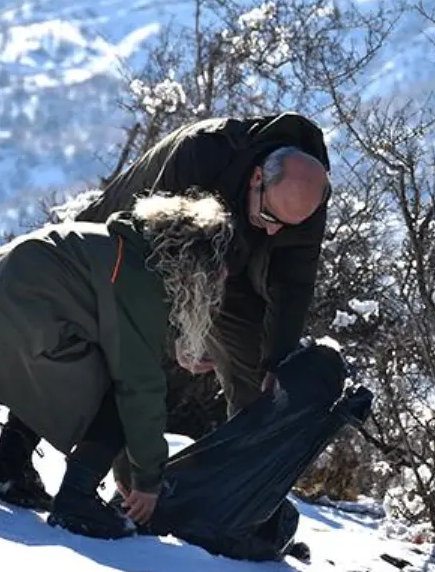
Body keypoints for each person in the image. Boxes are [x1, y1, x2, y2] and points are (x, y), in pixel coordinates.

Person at [0, 190, 235, 540]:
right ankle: (76, 499)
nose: (221, 282)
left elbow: (117, 332)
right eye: (217, 271)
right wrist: (147, 481)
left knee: (71, 364)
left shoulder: (116, 247)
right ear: (193, 261)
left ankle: (6, 468)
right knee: (122, 388)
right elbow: (138, 384)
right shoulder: (136, 274)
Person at [73, 112, 331, 418]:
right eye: (271, 217)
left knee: (261, 382)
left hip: (227, 262)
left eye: (287, 226)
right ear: (257, 178)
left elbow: (293, 284)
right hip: (120, 247)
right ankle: (16, 452)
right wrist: (179, 334)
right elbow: (149, 258)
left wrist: (276, 361)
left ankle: (246, 459)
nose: (275, 232)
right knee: (119, 361)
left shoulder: (305, 196)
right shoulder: (200, 154)